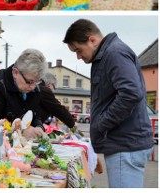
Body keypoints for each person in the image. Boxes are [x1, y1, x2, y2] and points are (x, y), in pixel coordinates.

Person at [63, 19, 153, 188]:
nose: (78, 56)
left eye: (78, 50)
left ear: (92, 40)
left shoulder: (114, 53)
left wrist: (102, 124)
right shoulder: (108, 55)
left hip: (125, 146)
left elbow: (131, 93)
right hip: (125, 144)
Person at [0, 48, 47, 139]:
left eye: (37, 82)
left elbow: (34, 115)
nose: (33, 87)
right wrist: (20, 132)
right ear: (15, 72)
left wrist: (39, 127)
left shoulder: (33, 89)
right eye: (29, 82)